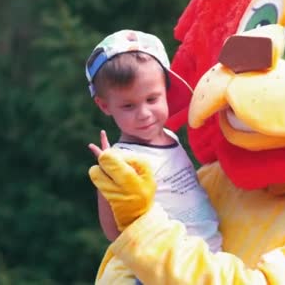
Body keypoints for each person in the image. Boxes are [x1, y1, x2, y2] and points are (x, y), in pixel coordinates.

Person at [85, 30, 223, 272]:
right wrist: (109, 180)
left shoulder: (169, 136)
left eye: (152, 99)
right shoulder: (122, 160)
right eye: (128, 106)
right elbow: (114, 232)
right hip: (169, 268)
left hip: (210, 259)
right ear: (105, 105)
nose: (144, 114)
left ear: (166, 90)